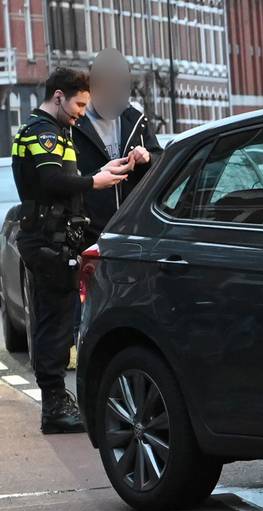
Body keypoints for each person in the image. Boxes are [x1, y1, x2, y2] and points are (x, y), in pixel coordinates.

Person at [11, 67, 129, 433]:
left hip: (53, 239)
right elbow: (51, 181)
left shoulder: (54, 130)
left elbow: (60, 181)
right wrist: (96, 180)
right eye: (78, 104)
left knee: (57, 323)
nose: (82, 112)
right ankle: (54, 407)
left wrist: (103, 170)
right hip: (47, 241)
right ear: (58, 96)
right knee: (53, 325)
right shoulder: (43, 134)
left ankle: (58, 401)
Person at [73, 49, 162, 244]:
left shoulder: (135, 119)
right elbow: (68, 178)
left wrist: (147, 157)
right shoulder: (76, 122)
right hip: (92, 228)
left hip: (132, 225)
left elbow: (159, 159)